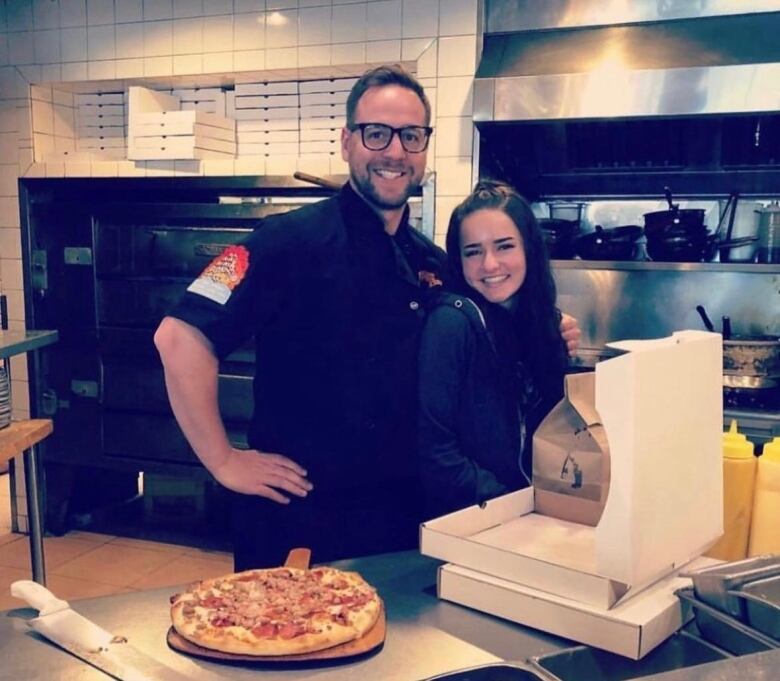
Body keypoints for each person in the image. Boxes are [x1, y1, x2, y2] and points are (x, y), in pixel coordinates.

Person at [154, 65, 580, 569]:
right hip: (301, 520)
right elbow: (178, 338)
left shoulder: (428, 261)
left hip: (402, 520)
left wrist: (551, 326)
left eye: (411, 136)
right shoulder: (287, 241)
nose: (395, 151)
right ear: (347, 142)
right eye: (376, 134)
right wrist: (223, 460)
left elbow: (489, 324)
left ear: (424, 148)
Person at [418, 181, 570, 518]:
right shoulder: (451, 324)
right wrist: (515, 504)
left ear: (529, 248)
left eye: (504, 247)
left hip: (528, 517)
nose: (489, 264)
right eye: (473, 251)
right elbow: (436, 453)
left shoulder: (537, 324)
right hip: (473, 523)